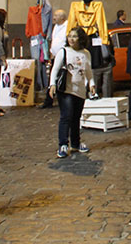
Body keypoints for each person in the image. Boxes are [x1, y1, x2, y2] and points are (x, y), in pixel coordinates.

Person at [49, 27, 95, 159]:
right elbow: (55, 69)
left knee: (76, 117)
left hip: (80, 90)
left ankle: (76, 143)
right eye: (70, 36)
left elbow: (88, 71)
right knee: (66, 116)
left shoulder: (86, 53)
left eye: (74, 36)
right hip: (66, 90)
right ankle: (63, 144)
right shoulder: (63, 52)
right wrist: (52, 85)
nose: (71, 39)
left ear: (80, 38)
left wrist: (91, 84)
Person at [41, 9, 69, 108]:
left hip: (64, 57)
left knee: (62, 78)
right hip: (55, 56)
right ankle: (49, 100)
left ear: (62, 17)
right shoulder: (56, 27)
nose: (54, 17)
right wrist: (51, 52)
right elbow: (55, 41)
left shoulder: (67, 26)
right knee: (52, 77)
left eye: (56, 15)